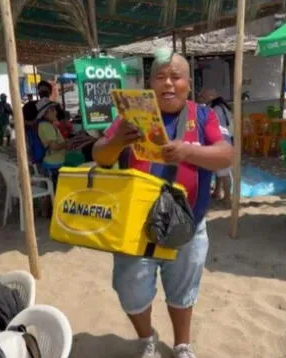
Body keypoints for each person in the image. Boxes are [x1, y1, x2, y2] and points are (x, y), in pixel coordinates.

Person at [92, 52, 233, 358]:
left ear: (187, 83)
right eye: (161, 76)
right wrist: (117, 142)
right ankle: (147, 339)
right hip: (136, 229)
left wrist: (187, 152)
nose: (168, 83)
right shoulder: (131, 115)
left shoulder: (205, 115)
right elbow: (100, 156)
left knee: (183, 291)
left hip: (188, 224)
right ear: (150, 83)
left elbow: (226, 155)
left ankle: (182, 345)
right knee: (130, 290)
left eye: (176, 76)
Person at [197, 88, 234, 204]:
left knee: (224, 172)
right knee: (219, 170)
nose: (199, 99)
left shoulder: (213, 110)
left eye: (202, 97)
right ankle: (218, 192)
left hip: (220, 143)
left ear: (209, 98)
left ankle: (228, 197)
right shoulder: (222, 107)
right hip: (226, 141)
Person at [36, 99, 67, 190]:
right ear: (45, 114)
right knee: (54, 192)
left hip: (56, 164)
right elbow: (54, 147)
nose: (56, 112)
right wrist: (66, 144)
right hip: (53, 166)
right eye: (52, 110)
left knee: (54, 191)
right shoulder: (45, 126)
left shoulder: (49, 125)